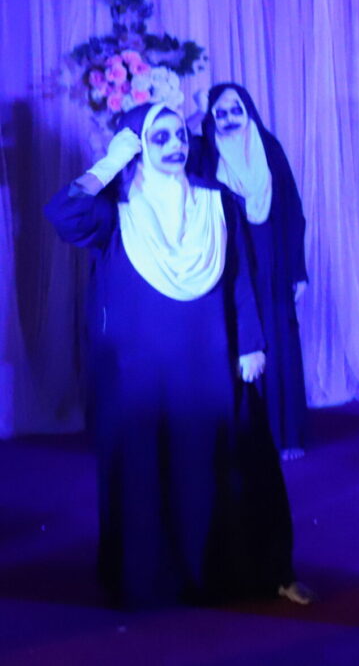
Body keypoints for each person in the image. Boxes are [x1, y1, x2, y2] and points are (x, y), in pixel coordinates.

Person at [45, 103, 308, 608]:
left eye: (180, 136)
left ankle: (218, 573)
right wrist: (111, 161)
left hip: (208, 356)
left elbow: (240, 273)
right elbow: (63, 214)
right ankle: (148, 578)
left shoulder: (217, 200)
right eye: (159, 137)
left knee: (213, 465)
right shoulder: (114, 208)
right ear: (138, 146)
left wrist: (251, 342)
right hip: (136, 370)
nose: (175, 145)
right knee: (144, 468)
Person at [190, 83, 309, 460]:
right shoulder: (204, 150)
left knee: (276, 338)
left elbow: (292, 210)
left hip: (271, 260)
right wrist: (198, 118)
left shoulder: (268, 146)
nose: (228, 118)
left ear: (248, 110)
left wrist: (298, 270)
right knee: (232, 339)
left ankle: (283, 434)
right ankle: (238, 441)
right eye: (220, 112)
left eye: (235, 109)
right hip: (226, 261)